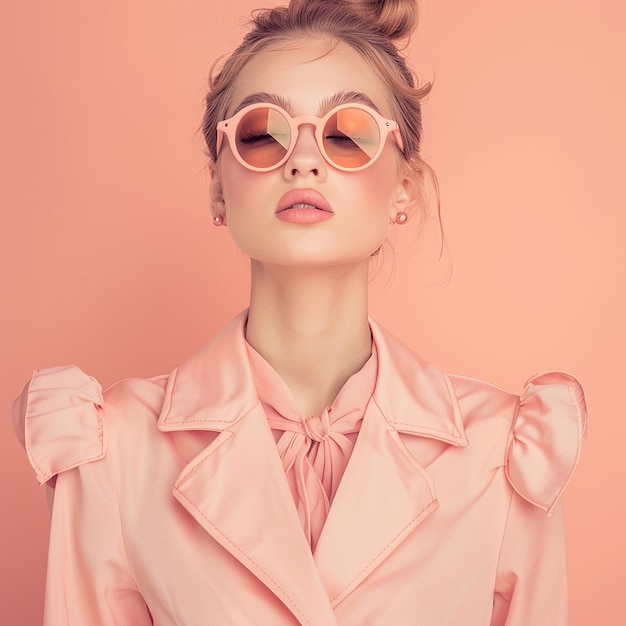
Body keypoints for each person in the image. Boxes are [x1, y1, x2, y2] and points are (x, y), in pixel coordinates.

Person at [13, 0, 586, 624]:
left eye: (347, 133)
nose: (303, 159)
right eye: (262, 134)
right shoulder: (113, 449)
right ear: (217, 188)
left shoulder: (504, 453)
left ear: (405, 187)